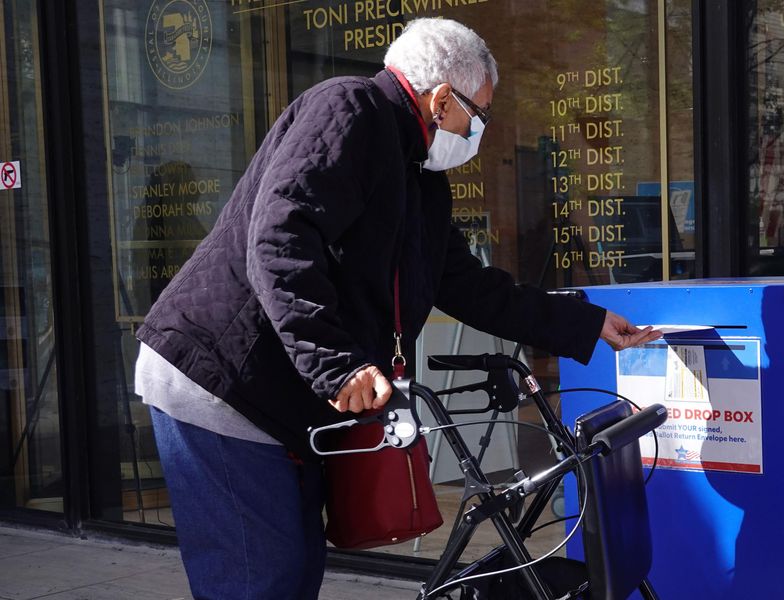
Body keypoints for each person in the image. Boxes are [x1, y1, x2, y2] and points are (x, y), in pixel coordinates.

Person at [133, 18, 660, 599]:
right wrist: (337, 365)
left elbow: (466, 285)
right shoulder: (349, 112)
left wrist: (586, 324)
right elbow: (281, 242)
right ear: (440, 100)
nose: (479, 130)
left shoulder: (419, 176)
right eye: (479, 115)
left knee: (296, 569)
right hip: (223, 378)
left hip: (277, 389)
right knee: (262, 577)